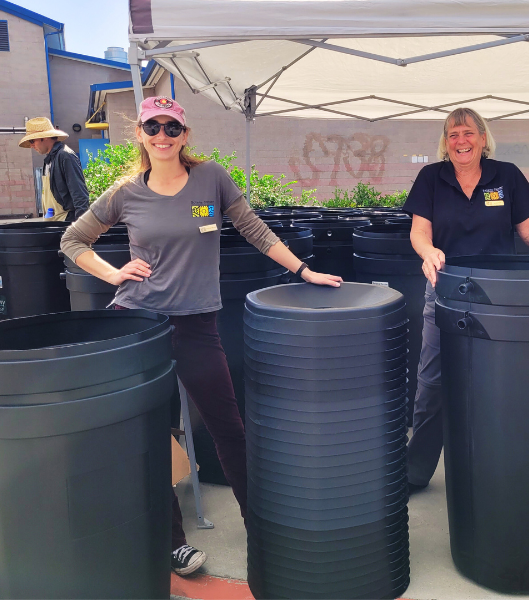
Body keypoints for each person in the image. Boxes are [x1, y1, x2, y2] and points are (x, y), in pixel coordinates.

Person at [60, 96, 342, 575]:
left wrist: (303, 270)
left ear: (185, 134)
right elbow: (73, 239)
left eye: (172, 127)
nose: (163, 135)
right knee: (150, 434)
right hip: (141, 325)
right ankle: (172, 543)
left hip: (197, 324)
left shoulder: (211, 177)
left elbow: (252, 228)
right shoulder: (127, 192)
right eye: (153, 127)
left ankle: (265, 528)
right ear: (142, 134)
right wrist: (113, 276)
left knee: (229, 429)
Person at [402, 107, 529, 491]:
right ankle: (415, 471)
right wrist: (429, 252)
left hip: (498, 296)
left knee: (497, 383)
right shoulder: (430, 178)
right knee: (432, 383)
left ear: (483, 138)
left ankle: (496, 466)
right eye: (453, 135)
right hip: (445, 290)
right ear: (445, 142)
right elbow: (419, 232)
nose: (461, 141)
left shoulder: (506, 176)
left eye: (468, 133)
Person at [19, 117, 89, 221]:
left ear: (46, 137)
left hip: (66, 222)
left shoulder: (65, 156)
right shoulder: (49, 160)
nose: (31, 145)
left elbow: (80, 195)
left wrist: (81, 228)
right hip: (54, 222)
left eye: (32, 140)